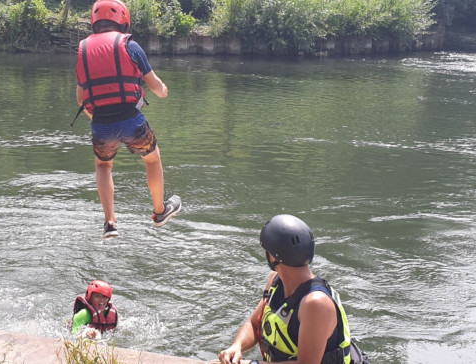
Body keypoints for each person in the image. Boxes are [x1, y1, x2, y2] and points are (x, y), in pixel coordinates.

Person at [75, 0, 181, 238]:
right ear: (123, 20)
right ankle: (160, 211)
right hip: (131, 122)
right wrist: (165, 91)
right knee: (152, 159)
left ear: (94, 22)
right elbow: (155, 86)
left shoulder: (83, 50)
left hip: (101, 124)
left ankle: (110, 222)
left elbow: (81, 96)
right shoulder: (130, 46)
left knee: (103, 165)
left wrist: (95, 115)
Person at [218, 214, 367, 364]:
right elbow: (254, 323)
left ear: (274, 257)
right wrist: (237, 347)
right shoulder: (275, 281)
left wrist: (252, 363)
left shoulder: (315, 303)